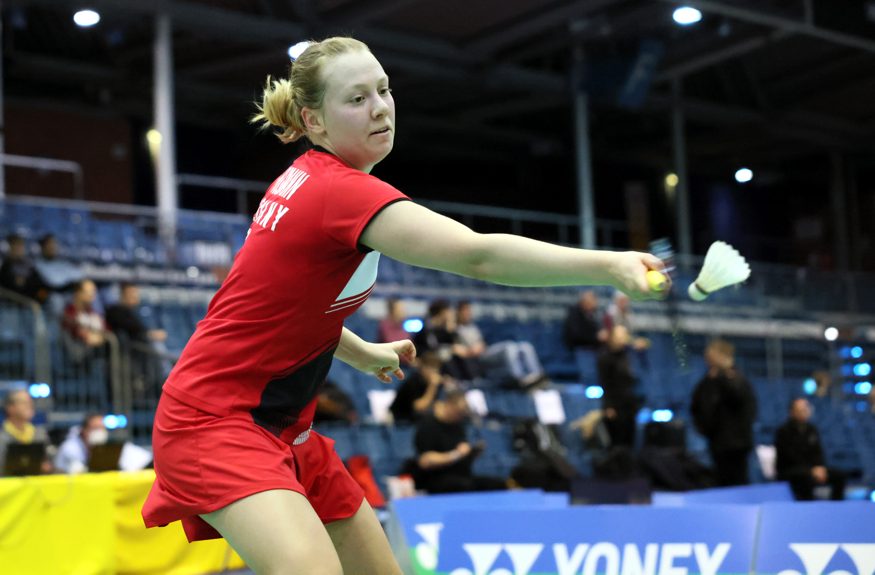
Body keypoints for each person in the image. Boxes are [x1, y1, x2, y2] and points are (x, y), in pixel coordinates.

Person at [140, 36, 665, 575]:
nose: (380, 107)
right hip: (216, 423)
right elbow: (478, 255)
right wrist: (607, 266)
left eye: (384, 90)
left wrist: (361, 350)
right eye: (357, 99)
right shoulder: (338, 193)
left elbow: (274, 307)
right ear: (312, 120)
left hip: (279, 427)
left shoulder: (305, 180)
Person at [690, 338, 758, 487]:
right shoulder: (707, 381)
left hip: (738, 442)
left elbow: (740, 400)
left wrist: (723, 376)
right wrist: (703, 428)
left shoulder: (735, 378)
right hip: (717, 441)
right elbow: (697, 406)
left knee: (738, 479)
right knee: (722, 479)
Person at [413, 388, 506, 494]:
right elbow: (425, 461)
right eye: (459, 412)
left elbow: (462, 451)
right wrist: (456, 455)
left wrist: (472, 453)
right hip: (438, 479)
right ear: (449, 405)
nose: (461, 416)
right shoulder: (428, 425)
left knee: (498, 484)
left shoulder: (458, 425)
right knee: (465, 486)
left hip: (462, 475)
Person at [455, 300, 548, 389]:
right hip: (479, 358)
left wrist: (480, 346)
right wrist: (471, 350)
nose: (467, 313)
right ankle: (519, 377)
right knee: (509, 347)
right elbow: (457, 348)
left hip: (485, 350)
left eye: (468, 310)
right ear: (459, 312)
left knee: (525, 346)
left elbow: (482, 342)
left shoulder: (473, 326)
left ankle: (536, 375)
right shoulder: (456, 328)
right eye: (465, 310)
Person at [775, 397, 845, 501]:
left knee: (840, 475)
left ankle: (836, 507)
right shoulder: (783, 431)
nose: (804, 412)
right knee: (805, 478)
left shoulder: (812, 429)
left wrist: (820, 467)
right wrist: (811, 470)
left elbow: (818, 452)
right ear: (792, 412)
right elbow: (790, 457)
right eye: (800, 410)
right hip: (790, 470)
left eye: (806, 409)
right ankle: (809, 507)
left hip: (813, 469)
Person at [105, 282, 171, 387]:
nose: (135, 297)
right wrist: (150, 334)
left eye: (136, 294)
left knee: (158, 346)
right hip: (128, 351)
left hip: (138, 351)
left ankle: (165, 378)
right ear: (123, 294)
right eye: (131, 294)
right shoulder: (115, 310)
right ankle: (165, 379)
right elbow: (134, 329)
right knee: (156, 346)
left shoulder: (134, 312)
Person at [413, 299, 480, 381]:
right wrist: (452, 349)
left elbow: (457, 343)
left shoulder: (444, 329)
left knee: (465, 356)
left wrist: (451, 330)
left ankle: (473, 382)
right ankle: (463, 382)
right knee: (451, 359)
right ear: (442, 312)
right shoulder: (427, 328)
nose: (451, 314)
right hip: (428, 362)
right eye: (448, 311)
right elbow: (433, 349)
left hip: (444, 360)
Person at [597, 325, 640, 449]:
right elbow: (605, 383)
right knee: (616, 443)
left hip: (629, 404)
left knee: (629, 442)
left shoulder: (628, 356)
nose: (622, 338)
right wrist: (608, 406)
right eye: (619, 335)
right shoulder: (605, 357)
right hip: (615, 405)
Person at [390, 350, 452, 423]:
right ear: (422, 367)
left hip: (419, 419)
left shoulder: (437, 382)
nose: (434, 371)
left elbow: (438, 404)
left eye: (436, 368)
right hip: (401, 420)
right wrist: (432, 386)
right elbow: (419, 407)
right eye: (431, 367)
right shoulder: (413, 381)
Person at [0, 388, 51, 475]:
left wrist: (47, 467)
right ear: (10, 408)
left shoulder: (40, 434)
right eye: (24, 403)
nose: (30, 406)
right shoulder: (2, 437)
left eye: (30, 402)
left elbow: (49, 463)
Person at [563, 290, 607, 383]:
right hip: (581, 348)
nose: (594, 304)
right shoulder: (575, 313)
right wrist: (596, 337)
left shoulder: (592, 313)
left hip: (594, 348)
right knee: (589, 375)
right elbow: (576, 334)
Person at [61, 279, 107, 365]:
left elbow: (106, 332)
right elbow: (74, 329)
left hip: (94, 362)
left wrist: (101, 338)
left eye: (93, 291)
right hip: (75, 358)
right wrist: (88, 336)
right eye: (88, 291)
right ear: (78, 293)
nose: (92, 295)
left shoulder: (94, 314)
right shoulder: (69, 312)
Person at [0, 233, 47, 302]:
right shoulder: (4, 264)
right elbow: (8, 284)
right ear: (8, 247)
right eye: (15, 245)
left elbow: (39, 285)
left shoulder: (29, 265)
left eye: (21, 245)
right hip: (7, 303)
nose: (19, 249)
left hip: (29, 303)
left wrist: (25, 281)